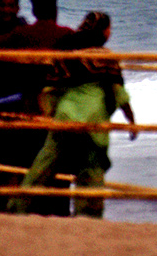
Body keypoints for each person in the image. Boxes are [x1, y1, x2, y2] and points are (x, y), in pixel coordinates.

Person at [10, 11, 136, 218]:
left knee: (44, 163)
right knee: (91, 167)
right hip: (92, 118)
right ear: (102, 30)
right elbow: (118, 91)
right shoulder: (104, 56)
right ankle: (87, 215)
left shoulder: (68, 50)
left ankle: (18, 207)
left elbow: (50, 88)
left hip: (65, 114)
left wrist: (51, 112)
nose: (110, 32)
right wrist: (131, 119)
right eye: (109, 28)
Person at [0, 0, 73, 113]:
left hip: (26, 96)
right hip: (57, 96)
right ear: (55, 10)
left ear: (34, 11)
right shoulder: (68, 35)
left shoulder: (20, 33)